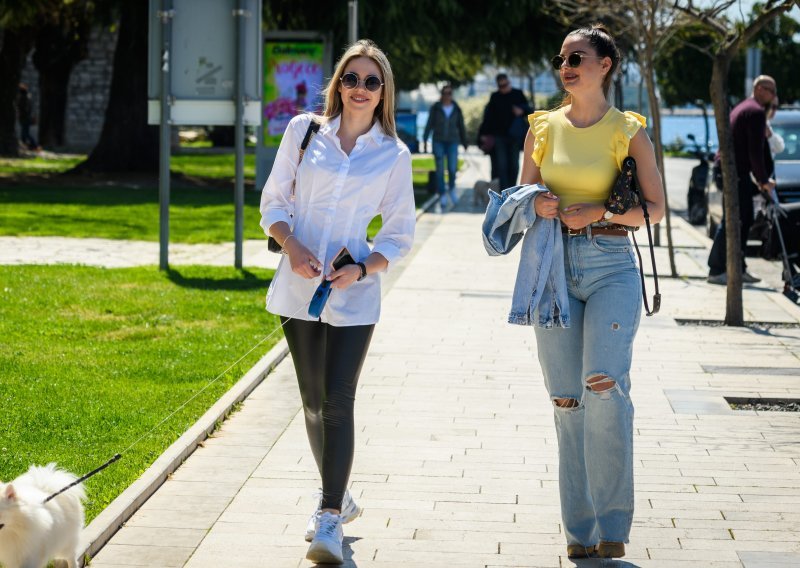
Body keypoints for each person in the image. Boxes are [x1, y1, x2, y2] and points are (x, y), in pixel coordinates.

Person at [259, 39, 415, 565]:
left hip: (354, 295)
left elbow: (398, 233)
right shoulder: (304, 132)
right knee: (310, 399)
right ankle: (340, 493)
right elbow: (274, 202)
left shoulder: (393, 153)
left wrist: (361, 269)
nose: (361, 89)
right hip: (298, 287)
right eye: (352, 79)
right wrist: (292, 245)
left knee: (337, 400)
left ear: (384, 91)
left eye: (372, 81)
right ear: (338, 84)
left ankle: (328, 517)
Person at [518, 24, 665, 559]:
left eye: (577, 56)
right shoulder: (541, 128)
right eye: (561, 58)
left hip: (610, 266)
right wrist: (537, 205)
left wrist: (601, 210)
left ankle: (613, 524)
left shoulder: (627, 130)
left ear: (605, 65)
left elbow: (655, 207)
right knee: (567, 400)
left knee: (603, 387)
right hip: (553, 267)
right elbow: (522, 197)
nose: (567, 65)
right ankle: (578, 532)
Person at [706, 75, 777, 285]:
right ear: (760, 89)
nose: (773, 98)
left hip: (732, 171)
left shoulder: (744, 108)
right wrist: (764, 180)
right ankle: (717, 269)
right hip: (734, 173)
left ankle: (738, 267)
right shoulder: (755, 112)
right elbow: (755, 151)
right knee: (734, 220)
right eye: (771, 92)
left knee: (742, 219)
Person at [479, 73, 531, 189]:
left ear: (509, 82)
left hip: (515, 137)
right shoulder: (495, 97)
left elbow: (529, 111)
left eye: (506, 84)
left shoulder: (518, 94)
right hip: (499, 136)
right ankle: (504, 192)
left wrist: (521, 111)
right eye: (501, 86)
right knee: (501, 166)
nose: (504, 88)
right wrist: (483, 134)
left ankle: (512, 190)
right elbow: (488, 117)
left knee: (514, 165)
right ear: (498, 86)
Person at [423, 84, 468, 211]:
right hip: (438, 141)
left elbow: (461, 126)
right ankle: (442, 194)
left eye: (449, 93)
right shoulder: (436, 108)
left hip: (453, 141)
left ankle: (452, 189)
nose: (447, 96)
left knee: (452, 168)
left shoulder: (456, 108)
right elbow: (429, 124)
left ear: (451, 95)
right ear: (441, 95)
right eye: (445, 93)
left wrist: (465, 142)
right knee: (440, 169)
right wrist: (425, 139)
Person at [16, 83, 38, 150]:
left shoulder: (24, 98)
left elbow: (25, 109)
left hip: (25, 118)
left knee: (25, 134)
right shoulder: (26, 97)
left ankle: (34, 146)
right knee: (24, 134)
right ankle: (27, 146)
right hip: (25, 118)